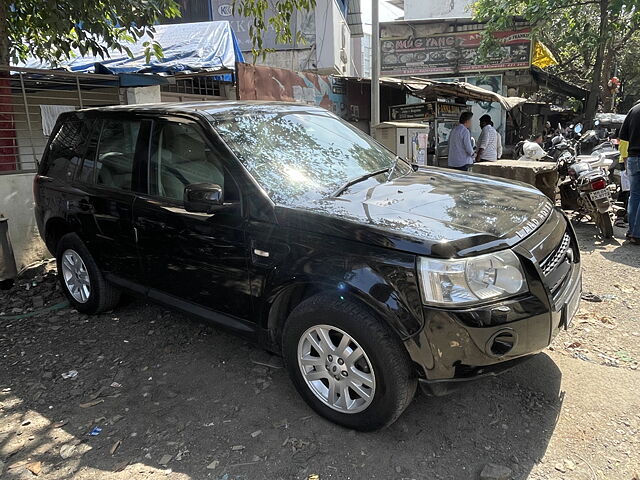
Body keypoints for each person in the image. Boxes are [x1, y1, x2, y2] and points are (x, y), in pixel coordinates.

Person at [619, 101, 640, 244]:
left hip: (633, 158)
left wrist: (625, 158)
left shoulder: (634, 110)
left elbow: (623, 137)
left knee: (634, 196)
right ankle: (637, 234)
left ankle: (632, 231)